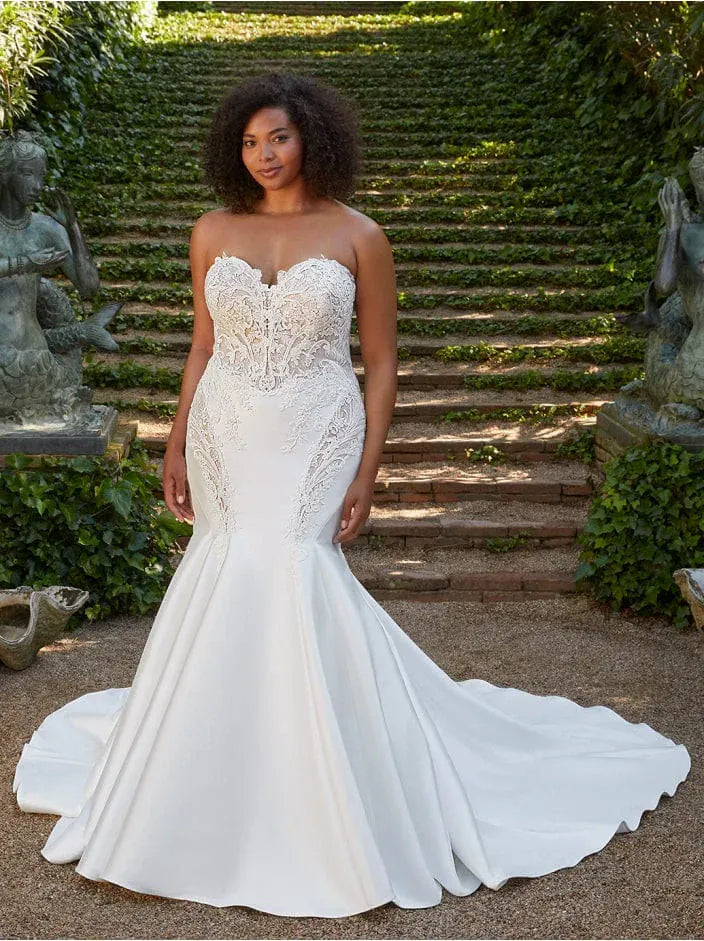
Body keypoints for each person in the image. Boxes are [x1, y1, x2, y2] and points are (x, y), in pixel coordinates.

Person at [12, 72, 691, 920]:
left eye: (280, 139)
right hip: (228, 427)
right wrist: (177, 435)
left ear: (314, 140)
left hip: (315, 430)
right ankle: (211, 769)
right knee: (226, 566)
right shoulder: (211, 229)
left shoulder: (360, 235)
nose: (264, 155)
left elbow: (382, 367)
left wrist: (367, 468)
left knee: (294, 568)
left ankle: (324, 783)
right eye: (252, 141)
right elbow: (203, 345)